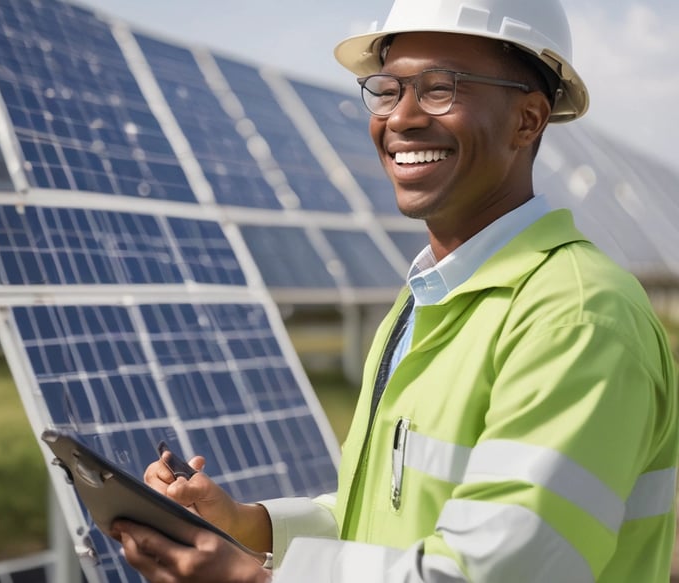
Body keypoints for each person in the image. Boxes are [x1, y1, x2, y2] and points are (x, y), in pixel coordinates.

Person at [112, 0, 679, 581]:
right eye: (387, 90)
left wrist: (251, 578)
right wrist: (246, 525)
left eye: (440, 88)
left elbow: (498, 570)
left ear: (527, 120)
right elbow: (379, 520)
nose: (401, 118)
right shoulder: (423, 302)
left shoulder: (577, 318)